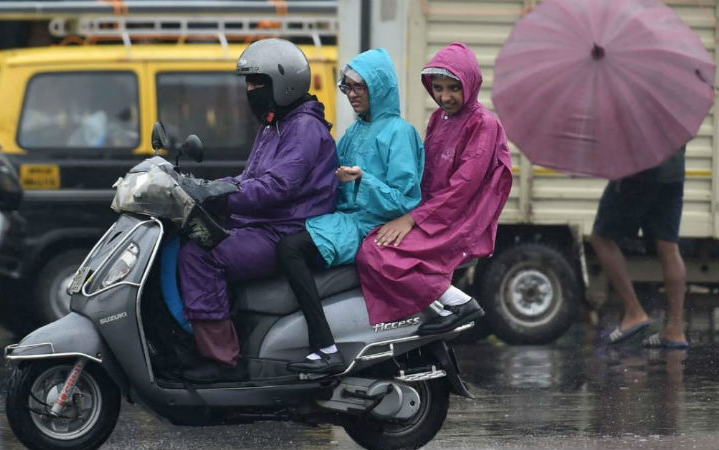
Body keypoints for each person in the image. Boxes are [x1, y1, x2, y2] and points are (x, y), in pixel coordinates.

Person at [178, 38, 339, 382]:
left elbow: (277, 187)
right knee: (188, 237)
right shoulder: (275, 124)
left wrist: (219, 196)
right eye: (249, 83)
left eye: (257, 83)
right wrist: (203, 185)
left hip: (284, 229)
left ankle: (222, 362)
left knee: (201, 255)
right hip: (263, 224)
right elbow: (249, 177)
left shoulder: (303, 128)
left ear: (284, 82)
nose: (250, 90)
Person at [277, 49, 425, 374]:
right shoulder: (355, 130)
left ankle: (325, 345)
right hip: (343, 220)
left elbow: (406, 201)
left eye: (361, 87)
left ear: (381, 87)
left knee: (290, 249)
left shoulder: (399, 133)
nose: (353, 94)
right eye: (348, 86)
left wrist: (362, 180)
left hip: (366, 227)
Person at [356, 42, 513, 331]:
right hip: (431, 212)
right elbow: (425, 174)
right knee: (371, 239)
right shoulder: (438, 118)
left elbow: (462, 189)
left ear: (471, 83)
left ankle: (461, 304)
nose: (445, 96)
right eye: (438, 88)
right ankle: (438, 311)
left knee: (376, 251)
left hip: (455, 219)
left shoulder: (483, 124)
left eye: (453, 88)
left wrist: (411, 219)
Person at [591, 147, 688, 348]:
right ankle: (675, 330)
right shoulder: (675, 113)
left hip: (639, 170)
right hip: (673, 171)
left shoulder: (635, 113)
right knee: (669, 248)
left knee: (602, 238)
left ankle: (634, 312)